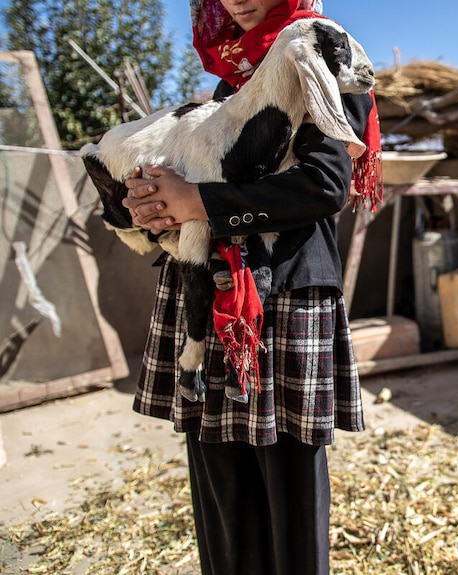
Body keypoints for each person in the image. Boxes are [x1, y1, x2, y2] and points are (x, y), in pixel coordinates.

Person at [121, 0, 378, 573]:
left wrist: (198, 201)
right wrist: (155, 205)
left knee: (288, 482)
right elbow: (189, 180)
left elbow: (325, 183)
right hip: (205, 295)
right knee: (220, 480)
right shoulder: (226, 90)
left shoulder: (321, 54)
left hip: (282, 298)